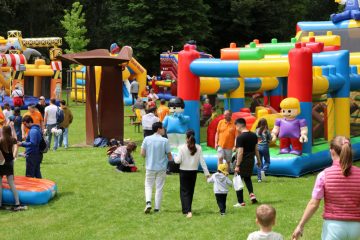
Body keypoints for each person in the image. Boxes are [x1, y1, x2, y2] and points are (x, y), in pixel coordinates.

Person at [292, 136, 360, 240]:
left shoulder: (324, 175)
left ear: (331, 152)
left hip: (333, 227)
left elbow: (314, 204)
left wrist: (300, 225)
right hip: (357, 227)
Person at [174, 130, 210, 218]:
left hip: (183, 171)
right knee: (190, 191)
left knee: (184, 191)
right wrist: (207, 173)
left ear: (186, 138)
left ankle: (187, 210)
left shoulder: (181, 148)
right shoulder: (199, 148)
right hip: (193, 172)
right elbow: (202, 161)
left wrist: (174, 158)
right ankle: (187, 209)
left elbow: (178, 160)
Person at [141, 122, 172, 214]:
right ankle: (157, 208)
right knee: (159, 187)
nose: (164, 130)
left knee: (148, 185)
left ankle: (148, 202)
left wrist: (149, 156)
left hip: (150, 166)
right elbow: (169, 156)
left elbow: (142, 153)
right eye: (162, 128)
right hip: (161, 168)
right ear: (158, 129)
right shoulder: (165, 140)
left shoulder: (147, 139)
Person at [234, 118, 261, 207]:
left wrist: (237, 165)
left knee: (238, 180)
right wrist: (259, 160)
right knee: (247, 178)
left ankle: (241, 202)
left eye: (236, 126)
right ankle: (252, 195)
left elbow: (240, 152)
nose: (236, 128)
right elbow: (256, 149)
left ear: (238, 125)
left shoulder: (240, 137)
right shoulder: (253, 135)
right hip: (251, 160)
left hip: (243, 161)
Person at [0, 125, 26, 211]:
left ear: (3, 132)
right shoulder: (13, 140)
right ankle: (17, 203)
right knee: (11, 183)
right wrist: (14, 156)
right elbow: (16, 145)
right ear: (9, 131)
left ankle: (0, 204)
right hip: (9, 163)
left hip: (1, 163)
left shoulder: (1, 140)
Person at [256, 118, 271, 182]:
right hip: (265, 147)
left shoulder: (256, 130)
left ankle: (259, 178)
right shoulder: (266, 131)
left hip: (258, 147)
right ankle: (263, 170)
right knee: (267, 161)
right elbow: (269, 139)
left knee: (259, 162)